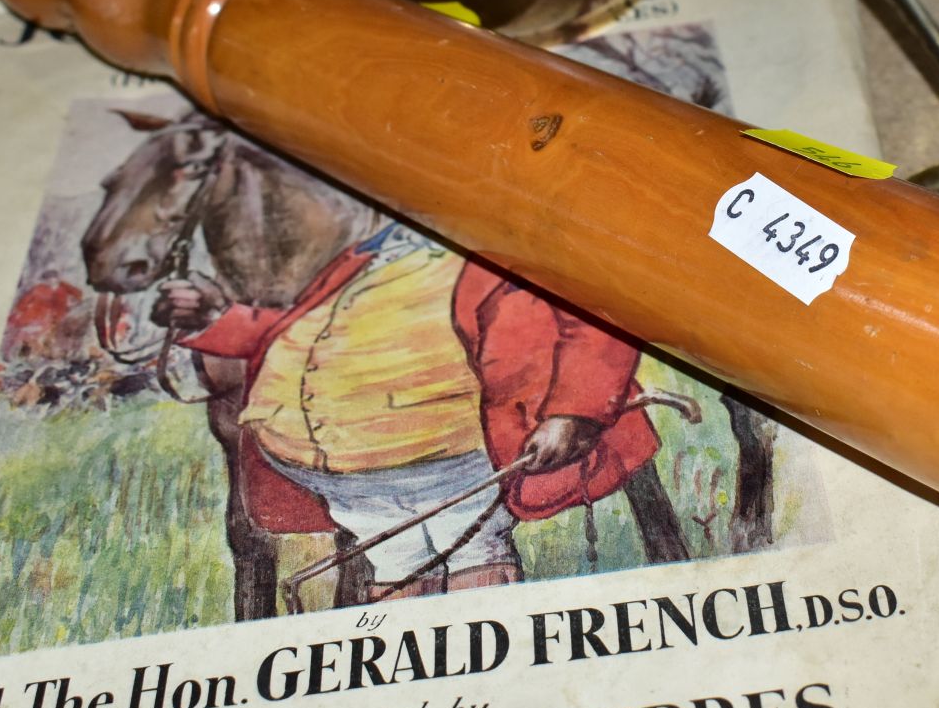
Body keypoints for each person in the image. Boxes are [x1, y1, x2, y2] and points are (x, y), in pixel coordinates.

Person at [154, 219, 660, 599]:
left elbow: (591, 320)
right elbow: (289, 331)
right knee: (395, 560)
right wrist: (214, 318)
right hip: (345, 474)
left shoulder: (514, 247)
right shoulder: (363, 256)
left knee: (473, 552)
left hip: (452, 458)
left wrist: (573, 413)